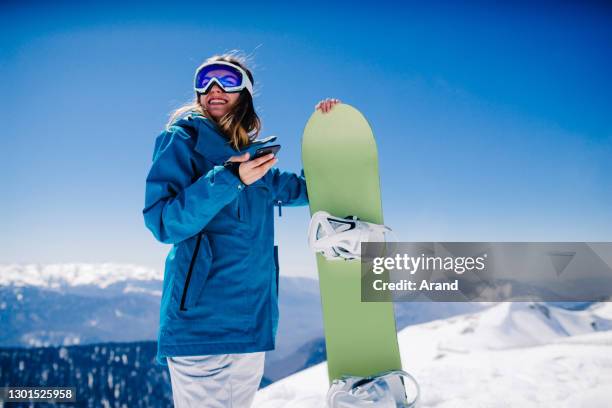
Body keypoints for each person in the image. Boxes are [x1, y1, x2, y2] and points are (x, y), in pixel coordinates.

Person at [142, 52, 340, 408]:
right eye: (205, 80)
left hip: (251, 326)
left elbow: (308, 190)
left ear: (245, 92)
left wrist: (330, 132)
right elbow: (163, 222)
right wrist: (229, 178)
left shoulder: (254, 157)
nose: (214, 88)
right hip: (202, 328)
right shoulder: (182, 140)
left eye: (226, 79)